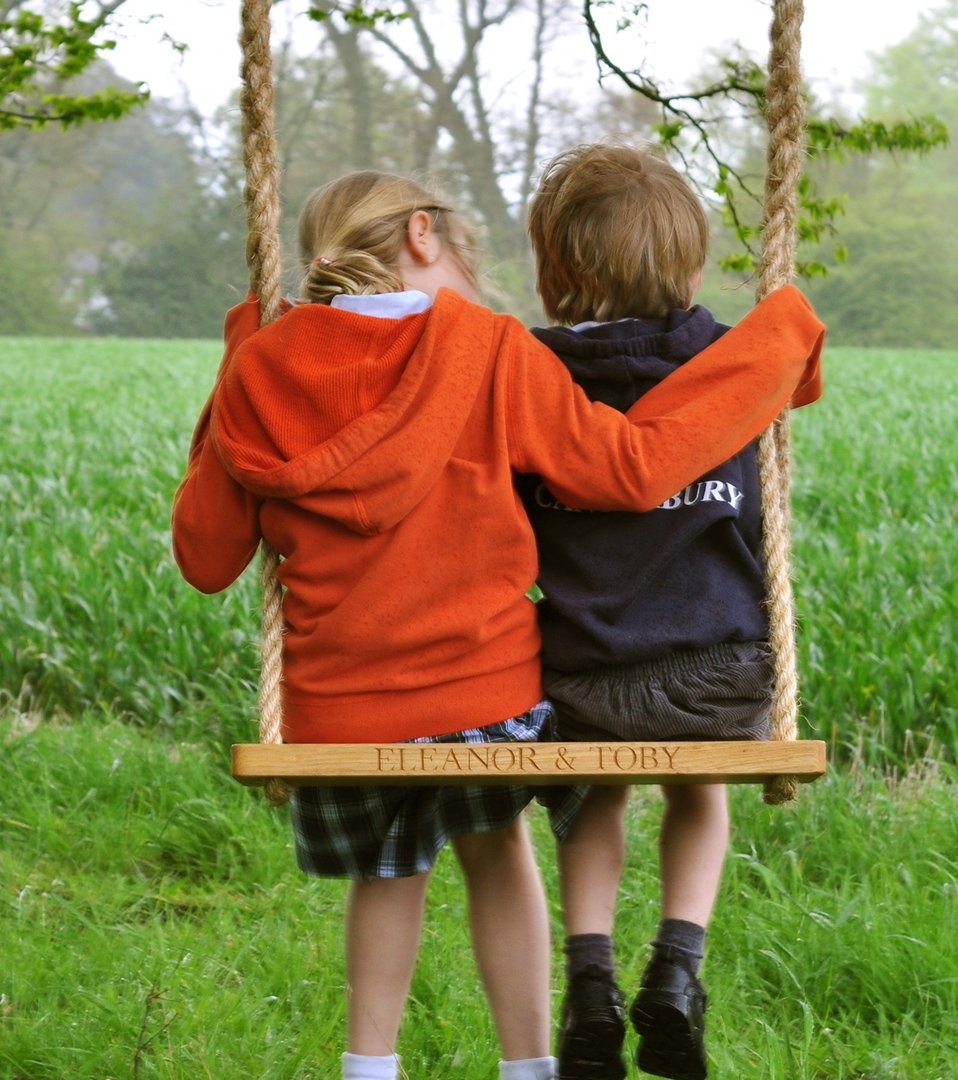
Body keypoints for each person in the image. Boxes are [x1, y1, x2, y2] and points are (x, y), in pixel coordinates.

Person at [172, 169, 824, 1080]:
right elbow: (628, 469)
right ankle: (530, 1068)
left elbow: (207, 560)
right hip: (487, 699)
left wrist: (236, 362)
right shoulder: (488, 347)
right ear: (424, 234)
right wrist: (777, 343)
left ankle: (369, 1067)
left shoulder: (262, 368)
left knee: (389, 870)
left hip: (337, 711)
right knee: (499, 845)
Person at [520, 142, 825, 1080]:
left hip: (580, 677)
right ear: (690, 269)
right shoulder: (736, 363)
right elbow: (795, 384)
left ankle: (590, 982)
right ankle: (677, 969)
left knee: (591, 790)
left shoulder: (530, 374)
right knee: (701, 786)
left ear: (555, 271)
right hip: (718, 679)